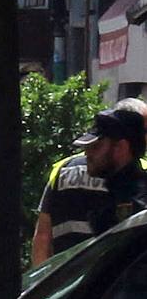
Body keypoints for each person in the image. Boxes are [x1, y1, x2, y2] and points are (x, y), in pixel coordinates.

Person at [32, 100, 147, 266]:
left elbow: (42, 236)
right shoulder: (118, 188)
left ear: (121, 148)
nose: (87, 153)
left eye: (96, 146)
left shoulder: (136, 196)